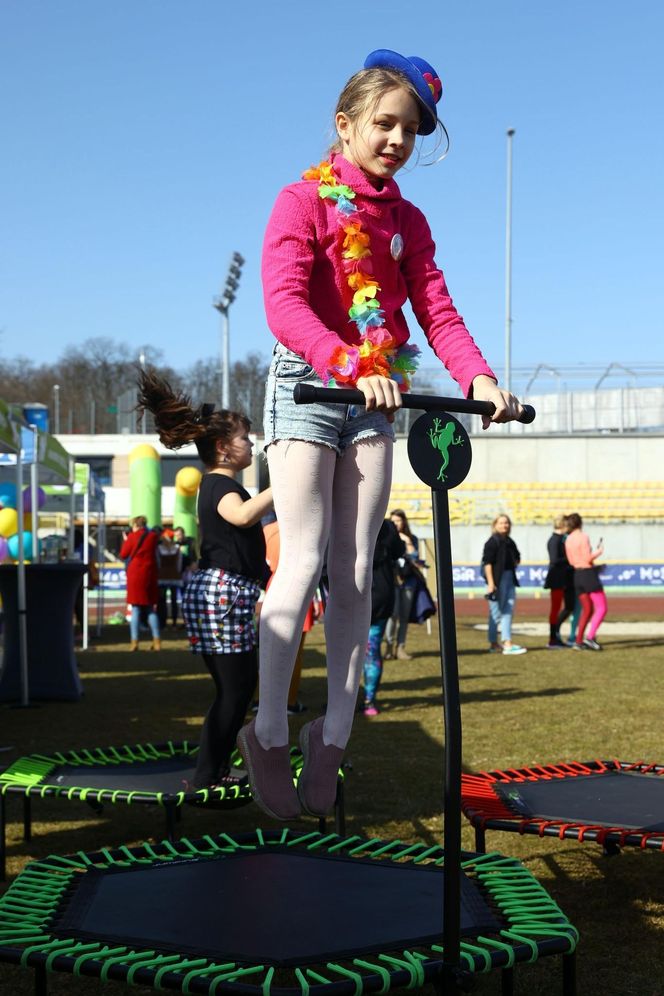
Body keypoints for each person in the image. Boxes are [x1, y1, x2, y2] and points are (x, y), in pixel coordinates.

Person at [237, 48, 525, 822]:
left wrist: (479, 379)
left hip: (378, 389)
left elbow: (436, 306)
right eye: (385, 123)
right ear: (347, 124)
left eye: (412, 129)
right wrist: (344, 359)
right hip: (308, 382)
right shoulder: (301, 200)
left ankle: (331, 735)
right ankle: (266, 730)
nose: (397, 139)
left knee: (357, 566)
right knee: (301, 558)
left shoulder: (409, 221)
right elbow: (283, 304)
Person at [137, 369, 273, 789]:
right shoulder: (218, 485)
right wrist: (286, 485)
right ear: (223, 448)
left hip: (224, 593)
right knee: (235, 691)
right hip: (222, 594)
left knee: (237, 688)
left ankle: (212, 770)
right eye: (245, 439)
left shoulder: (218, 484)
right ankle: (205, 776)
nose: (251, 444)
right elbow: (243, 515)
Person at [362, 518, 405, 716]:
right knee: (371, 649)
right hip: (380, 592)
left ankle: (350, 699)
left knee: (347, 653)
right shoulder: (386, 526)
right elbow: (399, 551)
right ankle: (368, 699)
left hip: (356, 592)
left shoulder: (344, 517)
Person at [482, 514, 526, 655]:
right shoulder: (492, 542)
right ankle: (493, 643)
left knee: (508, 611)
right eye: (501, 523)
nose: (504, 525)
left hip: (509, 578)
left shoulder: (509, 542)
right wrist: (491, 583)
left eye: (506, 523)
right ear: (495, 525)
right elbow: (487, 564)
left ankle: (507, 643)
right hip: (496, 581)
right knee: (495, 614)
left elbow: (517, 558)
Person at [564, 513, 607, 651]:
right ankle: (590, 638)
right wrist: (598, 552)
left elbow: (571, 561)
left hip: (577, 575)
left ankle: (578, 641)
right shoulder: (583, 537)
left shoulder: (568, 539)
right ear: (580, 523)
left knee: (587, 610)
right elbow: (587, 558)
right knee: (601, 607)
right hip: (588, 574)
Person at [384, 508, 421, 660]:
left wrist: (407, 542)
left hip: (408, 581)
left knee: (404, 616)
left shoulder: (412, 538)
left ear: (404, 521)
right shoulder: (386, 537)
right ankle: (388, 647)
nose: (396, 524)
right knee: (392, 615)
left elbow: (416, 559)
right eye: (393, 521)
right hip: (391, 581)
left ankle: (401, 648)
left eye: (399, 520)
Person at [119, 515, 161, 651]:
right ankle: (157, 641)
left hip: (135, 574)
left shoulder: (132, 537)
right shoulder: (153, 537)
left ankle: (134, 641)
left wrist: (126, 540)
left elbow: (124, 554)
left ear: (135, 525)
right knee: (150, 608)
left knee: (136, 608)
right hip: (150, 574)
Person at [543, 515, 575, 648]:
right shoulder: (554, 540)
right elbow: (554, 560)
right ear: (562, 525)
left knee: (568, 606)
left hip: (564, 577)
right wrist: (570, 559)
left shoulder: (560, 539)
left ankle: (556, 634)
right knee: (555, 609)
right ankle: (552, 638)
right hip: (556, 578)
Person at [156, 528, 183, 627]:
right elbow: (179, 564)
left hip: (164, 575)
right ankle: (171, 622)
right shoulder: (176, 548)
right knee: (170, 599)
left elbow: (158, 563)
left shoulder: (160, 548)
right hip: (173, 575)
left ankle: (164, 622)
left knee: (165, 600)